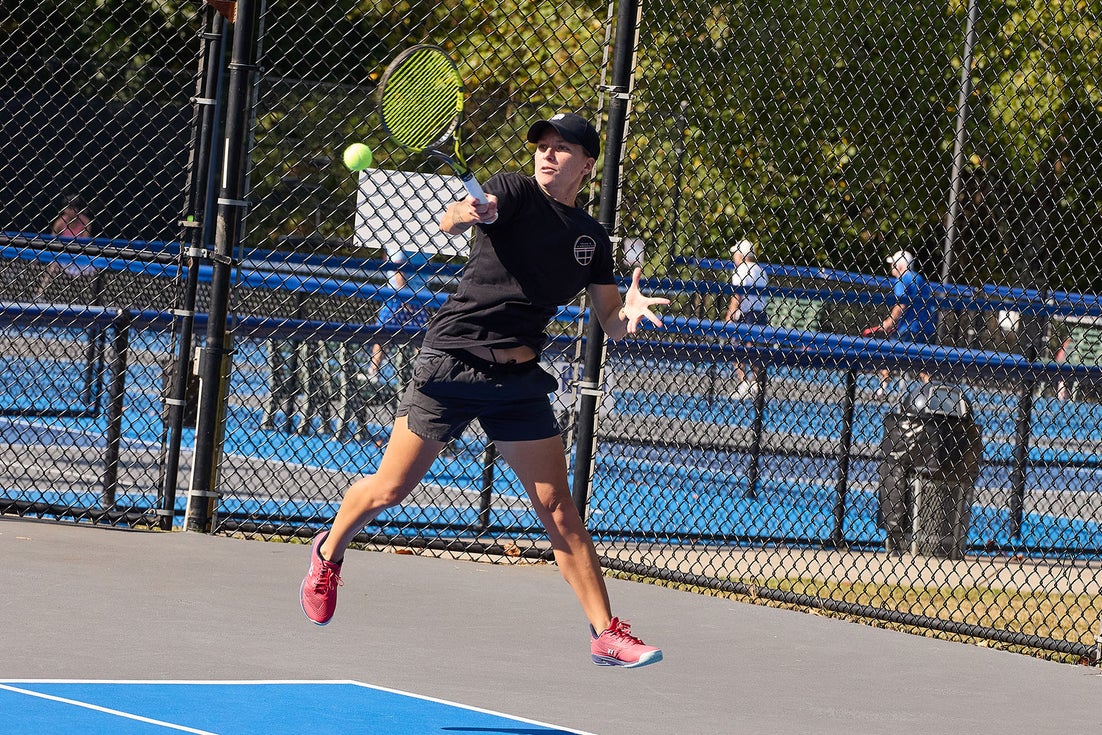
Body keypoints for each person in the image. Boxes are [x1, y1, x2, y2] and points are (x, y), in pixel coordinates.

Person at [299, 112, 669, 668]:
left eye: (562, 147)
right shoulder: (511, 191)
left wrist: (628, 310)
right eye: (542, 145)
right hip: (451, 363)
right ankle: (328, 553)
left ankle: (605, 634)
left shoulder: (591, 240)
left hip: (517, 382)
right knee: (391, 489)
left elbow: (611, 322)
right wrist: (466, 212)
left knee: (559, 509)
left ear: (587, 165)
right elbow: (453, 218)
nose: (547, 154)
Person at [863, 250, 936, 398]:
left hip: (909, 328)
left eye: (893, 264)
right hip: (926, 327)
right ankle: (932, 393)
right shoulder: (919, 278)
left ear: (900, 265)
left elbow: (902, 303)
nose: (891, 267)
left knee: (889, 357)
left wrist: (889, 322)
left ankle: (881, 390)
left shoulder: (903, 279)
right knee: (923, 364)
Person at [723, 238, 768, 399]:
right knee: (754, 349)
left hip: (746, 313)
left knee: (736, 348)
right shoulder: (761, 270)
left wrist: (729, 315)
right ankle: (754, 383)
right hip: (760, 313)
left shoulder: (741, 270)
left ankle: (744, 383)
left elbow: (738, 295)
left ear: (741, 255)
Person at [35, 195, 95, 300]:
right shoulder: (60, 222)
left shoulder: (85, 222)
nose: (70, 211)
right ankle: (39, 294)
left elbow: (84, 243)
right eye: (68, 208)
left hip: (79, 257)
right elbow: (52, 241)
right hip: (64, 256)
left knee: (95, 268)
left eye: (73, 208)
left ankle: (92, 298)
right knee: (53, 267)